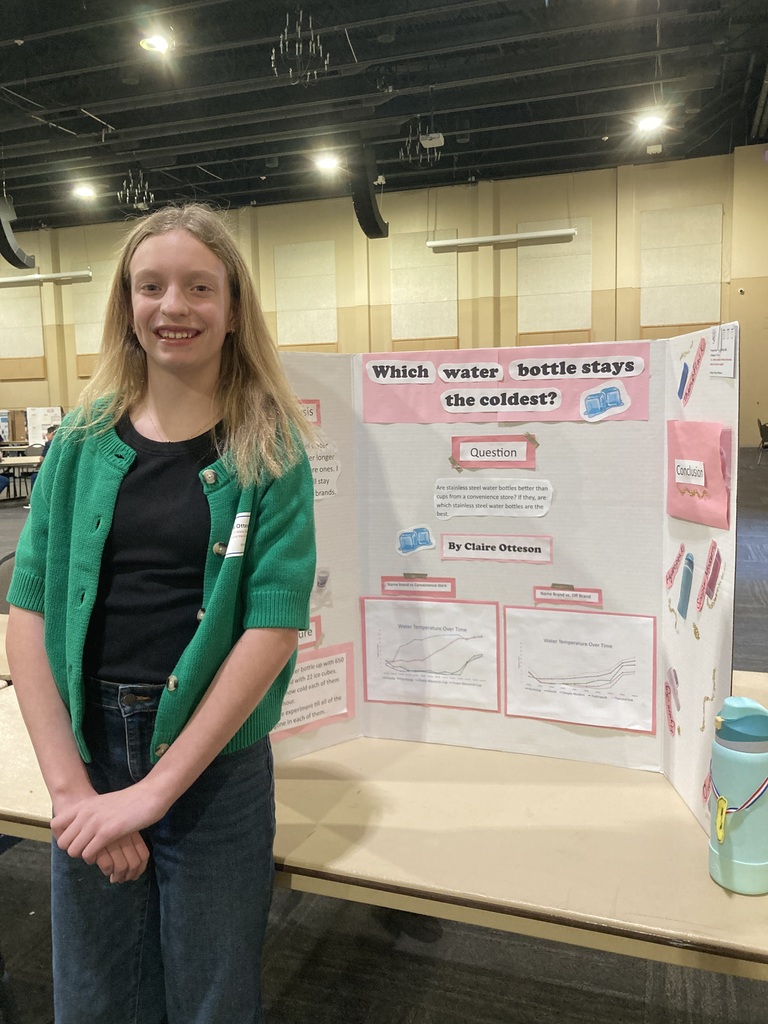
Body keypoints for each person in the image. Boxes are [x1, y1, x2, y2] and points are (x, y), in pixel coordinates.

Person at [6, 204, 316, 1024]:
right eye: (152, 286)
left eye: (198, 287)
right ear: (127, 305)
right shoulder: (77, 443)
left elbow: (272, 627)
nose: (173, 305)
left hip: (216, 765)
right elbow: (28, 614)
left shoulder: (270, 448)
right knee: (94, 996)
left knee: (213, 997)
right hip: (93, 746)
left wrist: (152, 795)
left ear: (233, 309)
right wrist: (77, 796)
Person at [22, 423, 57, 508]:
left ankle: (34, 501)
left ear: (52, 434)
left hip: (49, 471)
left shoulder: (49, 443)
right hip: (57, 470)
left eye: (47, 434)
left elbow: (42, 459)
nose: (46, 435)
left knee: (35, 476)